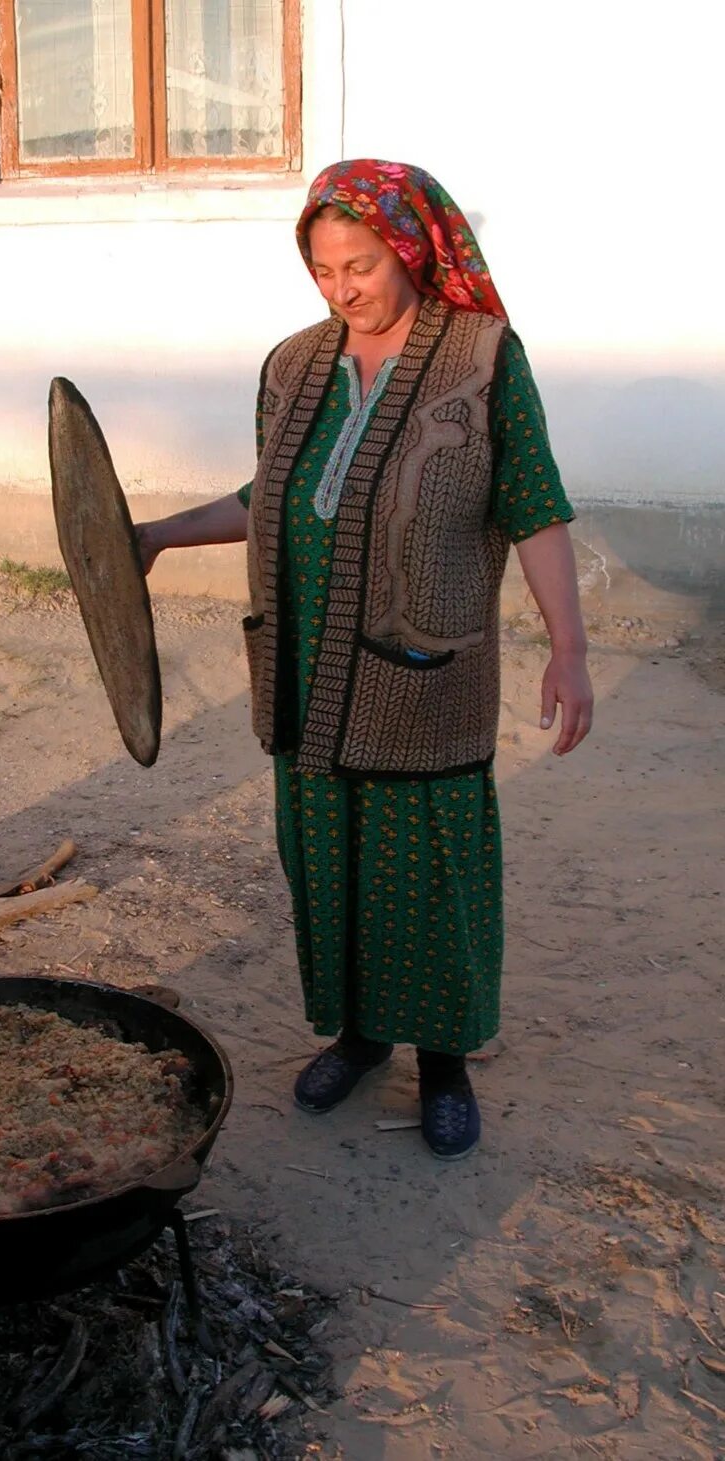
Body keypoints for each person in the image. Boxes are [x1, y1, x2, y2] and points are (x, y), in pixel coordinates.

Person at [135, 160, 593, 1160]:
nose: (344, 287)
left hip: (426, 676)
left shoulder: (481, 358)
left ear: (411, 250)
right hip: (307, 672)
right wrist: (155, 536)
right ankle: (357, 1033)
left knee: (430, 865)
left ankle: (441, 1063)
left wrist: (569, 648)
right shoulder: (293, 366)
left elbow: (535, 506)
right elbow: (272, 495)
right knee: (330, 858)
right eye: (323, 268)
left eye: (362, 264)